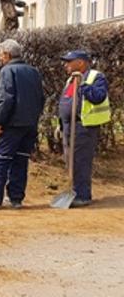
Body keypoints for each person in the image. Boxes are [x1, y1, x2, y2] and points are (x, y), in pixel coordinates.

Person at [0, 39, 44, 210]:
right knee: (21, 160)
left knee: (0, 159)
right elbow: (41, 98)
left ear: (7, 54)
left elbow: (6, 99)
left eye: (0, 54)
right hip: (30, 124)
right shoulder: (33, 71)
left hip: (12, 124)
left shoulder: (7, 71)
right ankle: (15, 199)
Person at [57, 50, 111, 208]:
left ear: (80, 62)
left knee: (80, 161)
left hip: (83, 126)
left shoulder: (95, 77)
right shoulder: (71, 79)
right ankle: (74, 191)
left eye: (69, 61)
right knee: (71, 161)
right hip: (68, 126)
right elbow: (66, 101)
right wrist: (60, 123)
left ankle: (82, 195)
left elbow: (98, 96)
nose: (65, 65)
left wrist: (83, 85)